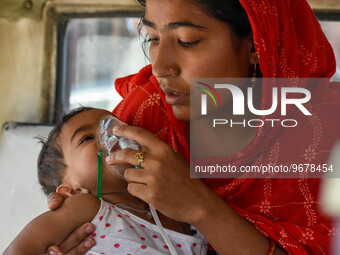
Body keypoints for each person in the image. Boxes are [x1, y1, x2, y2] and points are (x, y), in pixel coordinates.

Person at [43, 0, 340, 254]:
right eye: (153, 38)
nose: (160, 68)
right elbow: (100, 210)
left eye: (186, 40)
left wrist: (197, 206)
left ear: (255, 44)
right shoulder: (145, 115)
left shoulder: (326, 137)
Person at [3, 107, 208, 255]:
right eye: (86, 138)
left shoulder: (169, 203)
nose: (110, 134)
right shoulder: (86, 207)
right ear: (70, 190)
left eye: (114, 125)